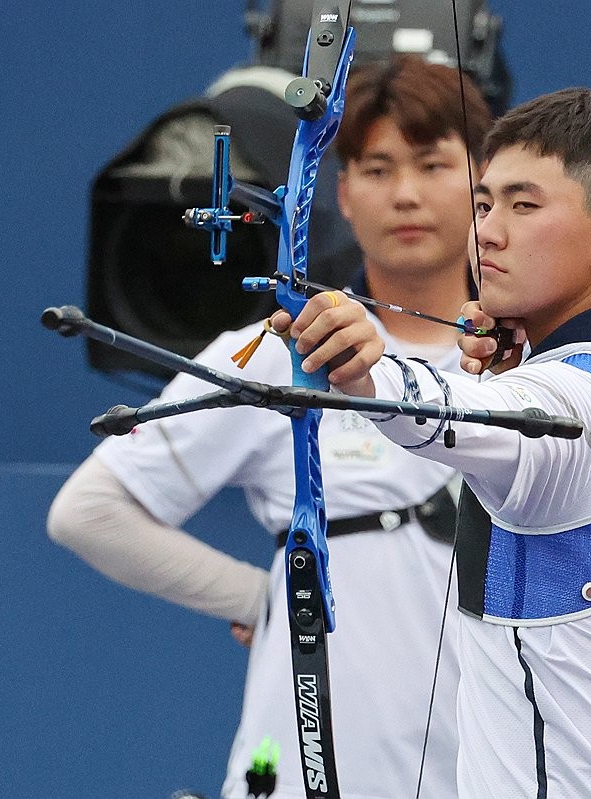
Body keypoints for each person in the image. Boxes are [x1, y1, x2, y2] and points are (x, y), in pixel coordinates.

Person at [48, 54, 492, 799]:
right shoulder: (278, 351)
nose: (406, 194)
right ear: (342, 194)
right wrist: (261, 597)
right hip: (300, 768)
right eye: (377, 169)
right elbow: (89, 511)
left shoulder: (533, 359)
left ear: (484, 184)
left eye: (432, 163)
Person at [275, 87, 591, 798]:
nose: (486, 230)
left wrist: (367, 369)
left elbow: (462, 412)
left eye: (524, 207)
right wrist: (529, 360)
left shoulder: (578, 403)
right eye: (484, 203)